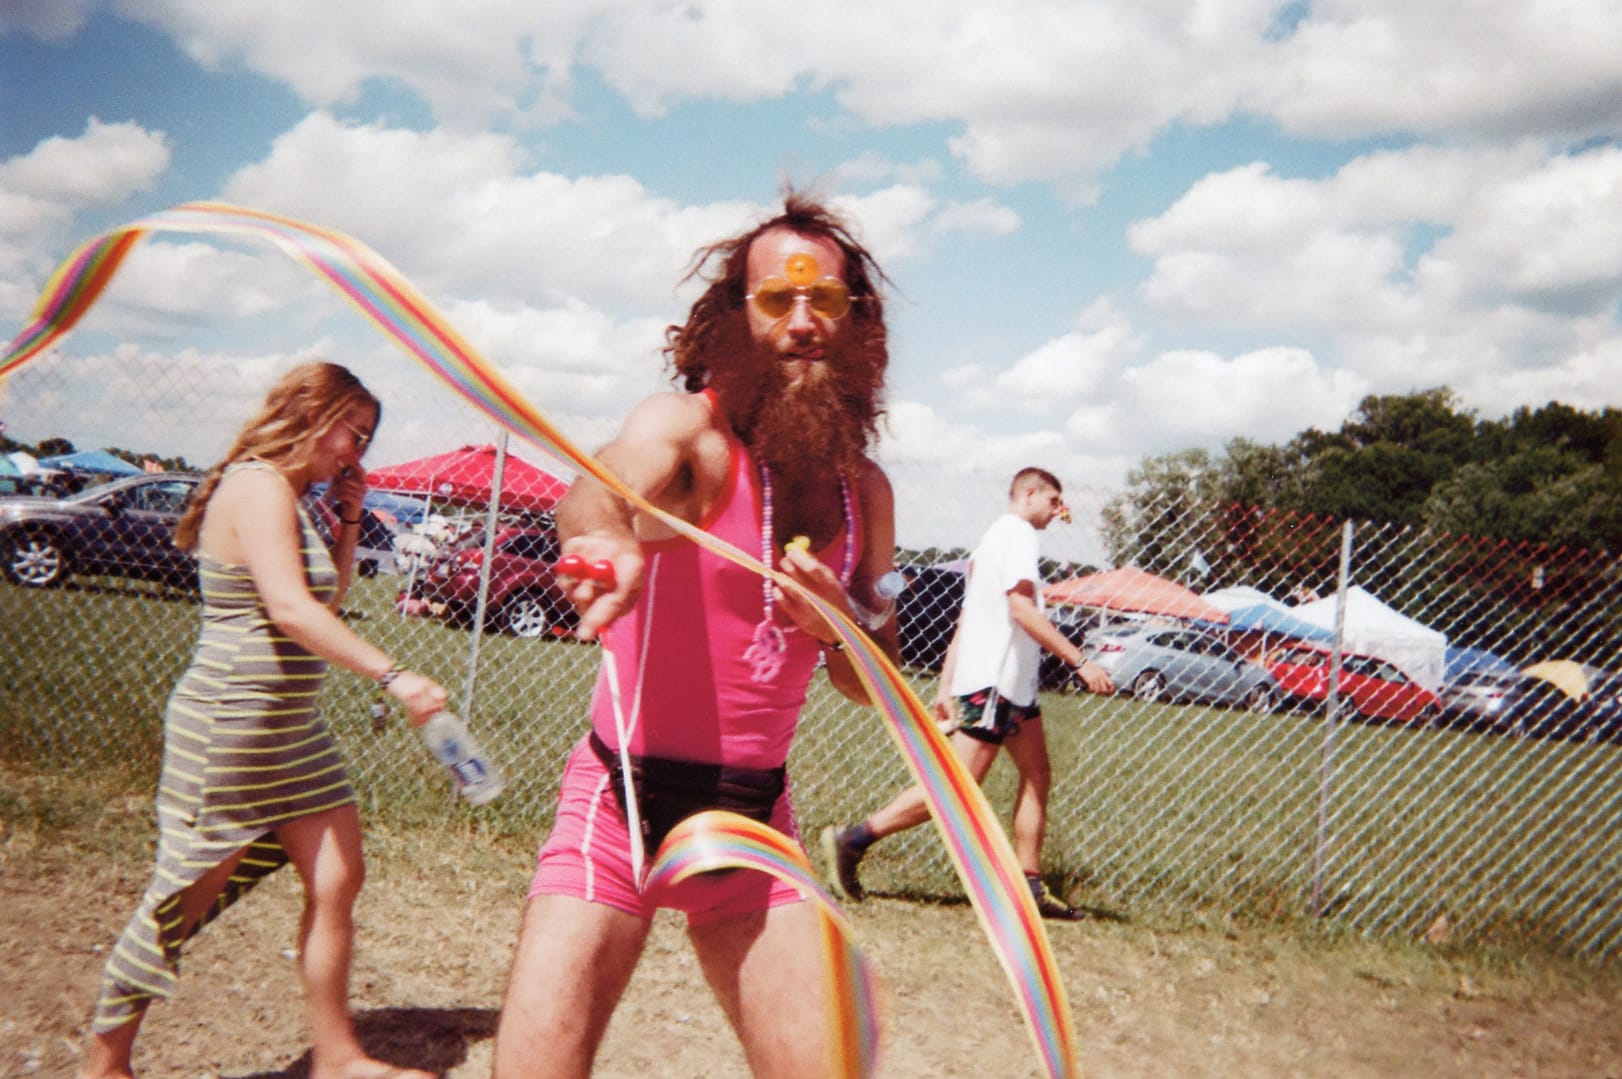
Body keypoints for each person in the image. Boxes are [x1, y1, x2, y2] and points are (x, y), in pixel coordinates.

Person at [492, 190, 902, 1078]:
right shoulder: (691, 437)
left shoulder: (863, 493)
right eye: (777, 301)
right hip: (621, 803)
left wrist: (838, 630)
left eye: (825, 301)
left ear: (856, 320)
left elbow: (877, 679)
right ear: (735, 318)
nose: (803, 322)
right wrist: (599, 538)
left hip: (753, 823)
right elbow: (601, 488)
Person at [79, 361, 449, 1079]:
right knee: (181, 898)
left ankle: (338, 1057)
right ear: (314, 412)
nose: (357, 451)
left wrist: (348, 516)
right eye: (354, 432)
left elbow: (326, 598)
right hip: (234, 723)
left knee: (339, 876)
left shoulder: (290, 495)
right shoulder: (254, 485)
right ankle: (104, 1063)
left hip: (290, 726)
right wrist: (394, 675)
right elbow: (287, 608)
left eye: (366, 439)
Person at [822, 467, 1115, 920]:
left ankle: (1030, 885)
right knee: (954, 790)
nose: (1059, 511)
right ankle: (854, 838)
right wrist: (1080, 661)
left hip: (1009, 686)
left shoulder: (990, 542)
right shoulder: (1017, 534)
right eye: (1054, 501)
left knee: (1037, 773)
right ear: (1030, 493)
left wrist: (945, 686)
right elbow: (1020, 610)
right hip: (997, 685)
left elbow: (965, 621)